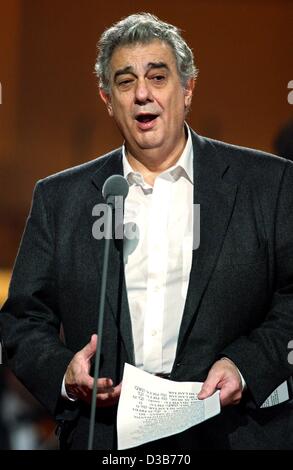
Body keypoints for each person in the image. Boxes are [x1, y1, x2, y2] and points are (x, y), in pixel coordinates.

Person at [1, 12, 293, 450]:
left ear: (188, 88)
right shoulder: (60, 199)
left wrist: (246, 366)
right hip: (106, 437)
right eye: (124, 82)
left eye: (158, 77)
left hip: (234, 434)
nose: (142, 94)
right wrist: (64, 372)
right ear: (106, 97)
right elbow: (23, 320)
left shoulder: (269, 184)